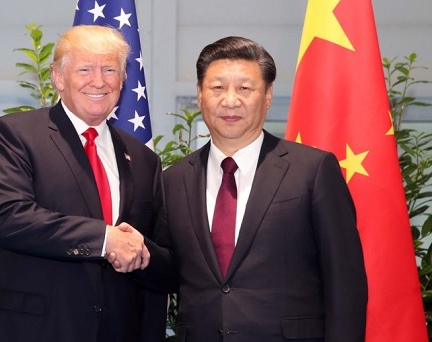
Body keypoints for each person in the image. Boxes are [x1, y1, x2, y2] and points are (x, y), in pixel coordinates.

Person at [155, 36, 368, 341]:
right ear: (200, 95)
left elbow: (344, 281)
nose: (230, 100)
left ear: (267, 96)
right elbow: (170, 272)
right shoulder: (173, 180)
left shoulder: (312, 170)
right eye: (217, 88)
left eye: (245, 88)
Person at [0, 25, 167, 342]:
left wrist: (142, 252)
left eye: (109, 70)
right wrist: (106, 239)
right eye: (85, 69)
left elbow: (164, 259)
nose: (99, 81)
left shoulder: (144, 159)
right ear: (59, 77)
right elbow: (8, 217)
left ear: (122, 80)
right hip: (32, 332)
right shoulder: (16, 134)